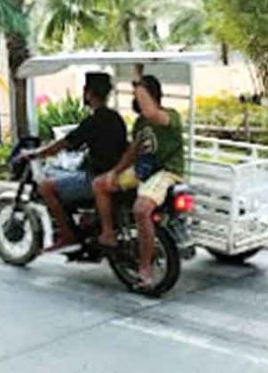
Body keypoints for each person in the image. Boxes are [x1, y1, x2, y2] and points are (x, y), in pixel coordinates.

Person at [93, 69, 185, 292]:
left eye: (138, 96)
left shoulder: (169, 116)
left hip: (165, 172)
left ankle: (144, 267)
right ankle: (108, 233)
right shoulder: (141, 124)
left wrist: (138, 86)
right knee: (99, 185)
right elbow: (132, 152)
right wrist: (115, 172)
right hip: (143, 171)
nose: (135, 100)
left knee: (141, 209)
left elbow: (153, 113)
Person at [19, 73, 127, 251]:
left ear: (89, 93)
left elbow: (64, 143)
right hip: (114, 172)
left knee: (46, 187)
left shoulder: (93, 121)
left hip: (96, 177)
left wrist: (36, 153)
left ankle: (67, 234)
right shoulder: (116, 118)